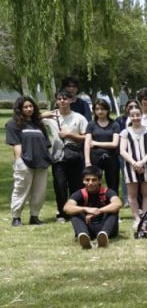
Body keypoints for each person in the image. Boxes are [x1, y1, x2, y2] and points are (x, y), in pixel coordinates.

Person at [7, 96, 54, 226]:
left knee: (40, 191)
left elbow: (46, 143)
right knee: (21, 189)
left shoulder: (39, 124)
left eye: (31, 106)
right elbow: (16, 144)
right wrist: (19, 161)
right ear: (20, 109)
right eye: (25, 107)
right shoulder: (13, 124)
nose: (29, 109)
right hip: (25, 162)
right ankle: (16, 217)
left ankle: (34, 216)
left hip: (42, 162)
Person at [53, 90, 90, 224]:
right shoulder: (51, 116)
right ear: (56, 101)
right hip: (57, 156)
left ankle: (75, 211)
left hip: (75, 155)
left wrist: (70, 135)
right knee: (60, 185)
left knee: (76, 185)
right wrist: (44, 114)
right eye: (59, 99)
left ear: (71, 100)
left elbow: (86, 137)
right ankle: (62, 212)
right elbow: (34, 118)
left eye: (65, 98)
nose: (62, 101)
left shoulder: (79, 118)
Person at [64, 166, 123, 248]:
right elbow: (66, 208)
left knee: (114, 210)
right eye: (87, 180)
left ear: (99, 180)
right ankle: (83, 235)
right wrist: (85, 209)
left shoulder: (108, 192)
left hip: (106, 226)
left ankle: (103, 235)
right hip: (88, 226)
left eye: (94, 180)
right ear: (83, 181)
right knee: (74, 212)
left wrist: (98, 211)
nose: (90, 183)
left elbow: (118, 204)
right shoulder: (79, 193)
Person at [119, 106, 147, 223]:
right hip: (130, 166)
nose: (136, 117)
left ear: (142, 115)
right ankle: (136, 218)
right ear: (129, 117)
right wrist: (134, 163)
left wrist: (142, 162)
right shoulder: (125, 132)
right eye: (133, 115)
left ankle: (145, 217)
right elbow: (122, 150)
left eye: (138, 115)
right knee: (132, 194)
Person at [85, 99, 122, 196]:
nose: (100, 111)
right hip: (95, 158)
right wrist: (87, 161)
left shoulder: (114, 124)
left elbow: (114, 144)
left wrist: (96, 143)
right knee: (93, 183)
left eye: (102, 109)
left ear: (107, 110)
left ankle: (113, 201)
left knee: (113, 183)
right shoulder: (91, 124)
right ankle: (94, 201)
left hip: (111, 158)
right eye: (97, 109)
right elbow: (87, 143)